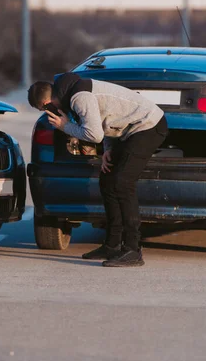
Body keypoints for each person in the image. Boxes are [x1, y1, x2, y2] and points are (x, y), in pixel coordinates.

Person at [28, 73, 168, 267]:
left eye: (44, 109)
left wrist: (65, 126)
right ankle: (111, 246)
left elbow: (94, 134)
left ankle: (133, 250)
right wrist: (109, 150)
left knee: (122, 183)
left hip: (148, 126)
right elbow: (109, 119)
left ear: (46, 103)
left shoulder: (79, 97)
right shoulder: (71, 93)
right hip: (129, 130)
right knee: (108, 181)